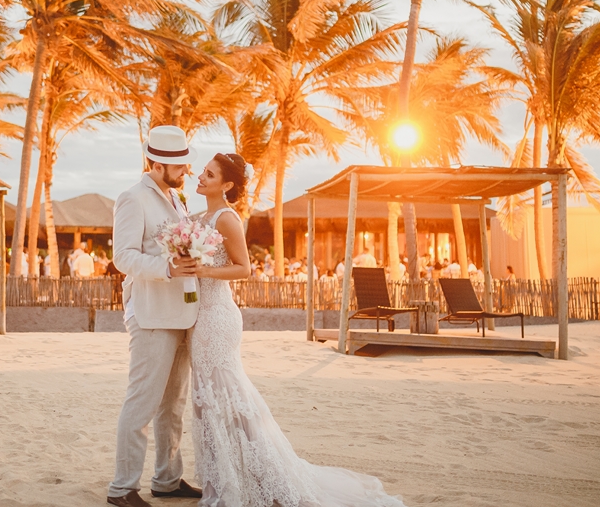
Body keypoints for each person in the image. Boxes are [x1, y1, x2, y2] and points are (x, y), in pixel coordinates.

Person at [189, 152, 405, 507]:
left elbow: (244, 269)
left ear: (227, 185)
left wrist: (205, 272)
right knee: (206, 401)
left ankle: (255, 479)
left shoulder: (226, 219)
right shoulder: (199, 217)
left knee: (226, 399)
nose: (201, 177)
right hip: (200, 319)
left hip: (218, 318)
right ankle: (225, 478)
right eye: (203, 171)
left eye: (209, 174)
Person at [107, 126, 202, 507]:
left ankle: (167, 479)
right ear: (158, 163)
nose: (185, 170)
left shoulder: (175, 197)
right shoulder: (132, 198)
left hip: (181, 312)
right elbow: (123, 257)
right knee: (142, 403)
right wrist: (167, 268)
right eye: (178, 165)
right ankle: (123, 488)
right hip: (150, 314)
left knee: (173, 405)